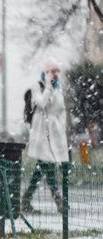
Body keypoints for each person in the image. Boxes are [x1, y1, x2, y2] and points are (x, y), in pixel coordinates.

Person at [21, 58, 68, 213]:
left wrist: (62, 126)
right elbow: (41, 103)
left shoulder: (58, 88)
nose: (55, 75)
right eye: (52, 72)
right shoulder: (38, 86)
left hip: (54, 133)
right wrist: (47, 87)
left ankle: (26, 200)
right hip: (41, 131)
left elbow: (61, 109)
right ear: (46, 72)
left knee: (42, 166)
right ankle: (59, 201)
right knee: (46, 164)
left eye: (56, 72)